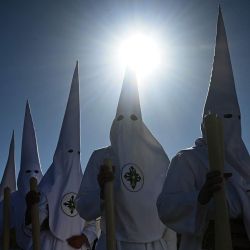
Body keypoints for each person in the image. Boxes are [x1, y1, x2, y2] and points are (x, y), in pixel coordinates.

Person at [157, 7, 250, 250]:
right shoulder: (187, 160)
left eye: (232, 118)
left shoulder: (245, 164)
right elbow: (167, 206)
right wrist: (202, 196)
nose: (226, 124)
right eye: (219, 118)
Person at [76, 68, 176, 250]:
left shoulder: (159, 159)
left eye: (133, 118)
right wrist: (102, 192)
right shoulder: (101, 158)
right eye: (121, 118)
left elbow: (168, 212)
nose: (127, 125)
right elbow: (84, 208)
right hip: (113, 244)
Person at [26, 62, 97, 250]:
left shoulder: (84, 183)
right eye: (68, 153)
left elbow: (92, 222)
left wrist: (83, 237)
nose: (71, 157)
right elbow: (35, 224)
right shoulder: (46, 185)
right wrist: (32, 210)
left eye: (76, 153)